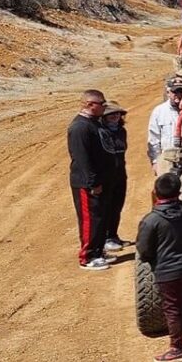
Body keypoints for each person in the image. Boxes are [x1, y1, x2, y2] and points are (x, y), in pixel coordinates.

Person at [136, 172, 182, 362]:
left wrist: (154, 261)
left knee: (172, 309)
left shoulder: (151, 220)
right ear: (179, 191)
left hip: (167, 271)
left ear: (156, 193)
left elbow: (143, 250)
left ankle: (176, 348)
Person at [68, 89, 116, 270]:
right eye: (101, 104)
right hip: (87, 184)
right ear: (89, 104)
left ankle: (97, 251)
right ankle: (87, 257)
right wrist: (93, 183)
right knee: (90, 220)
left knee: (101, 218)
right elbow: (82, 159)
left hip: (102, 181)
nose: (104, 107)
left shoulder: (94, 123)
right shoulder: (80, 127)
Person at [97, 103, 132, 253]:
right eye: (112, 114)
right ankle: (104, 239)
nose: (116, 117)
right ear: (103, 117)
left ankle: (113, 235)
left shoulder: (121, 131)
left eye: (118, 114)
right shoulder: (100, 132)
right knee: (105, 207)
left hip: (120, 174)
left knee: (117, 206)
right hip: (106, 176)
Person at [146, 77, 182, 172]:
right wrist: (155, 162)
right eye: (175, 92)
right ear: (168, 93)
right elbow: (154, 139)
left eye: (181, 92)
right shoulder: (159, 111)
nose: (178, 95)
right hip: (167, 160)